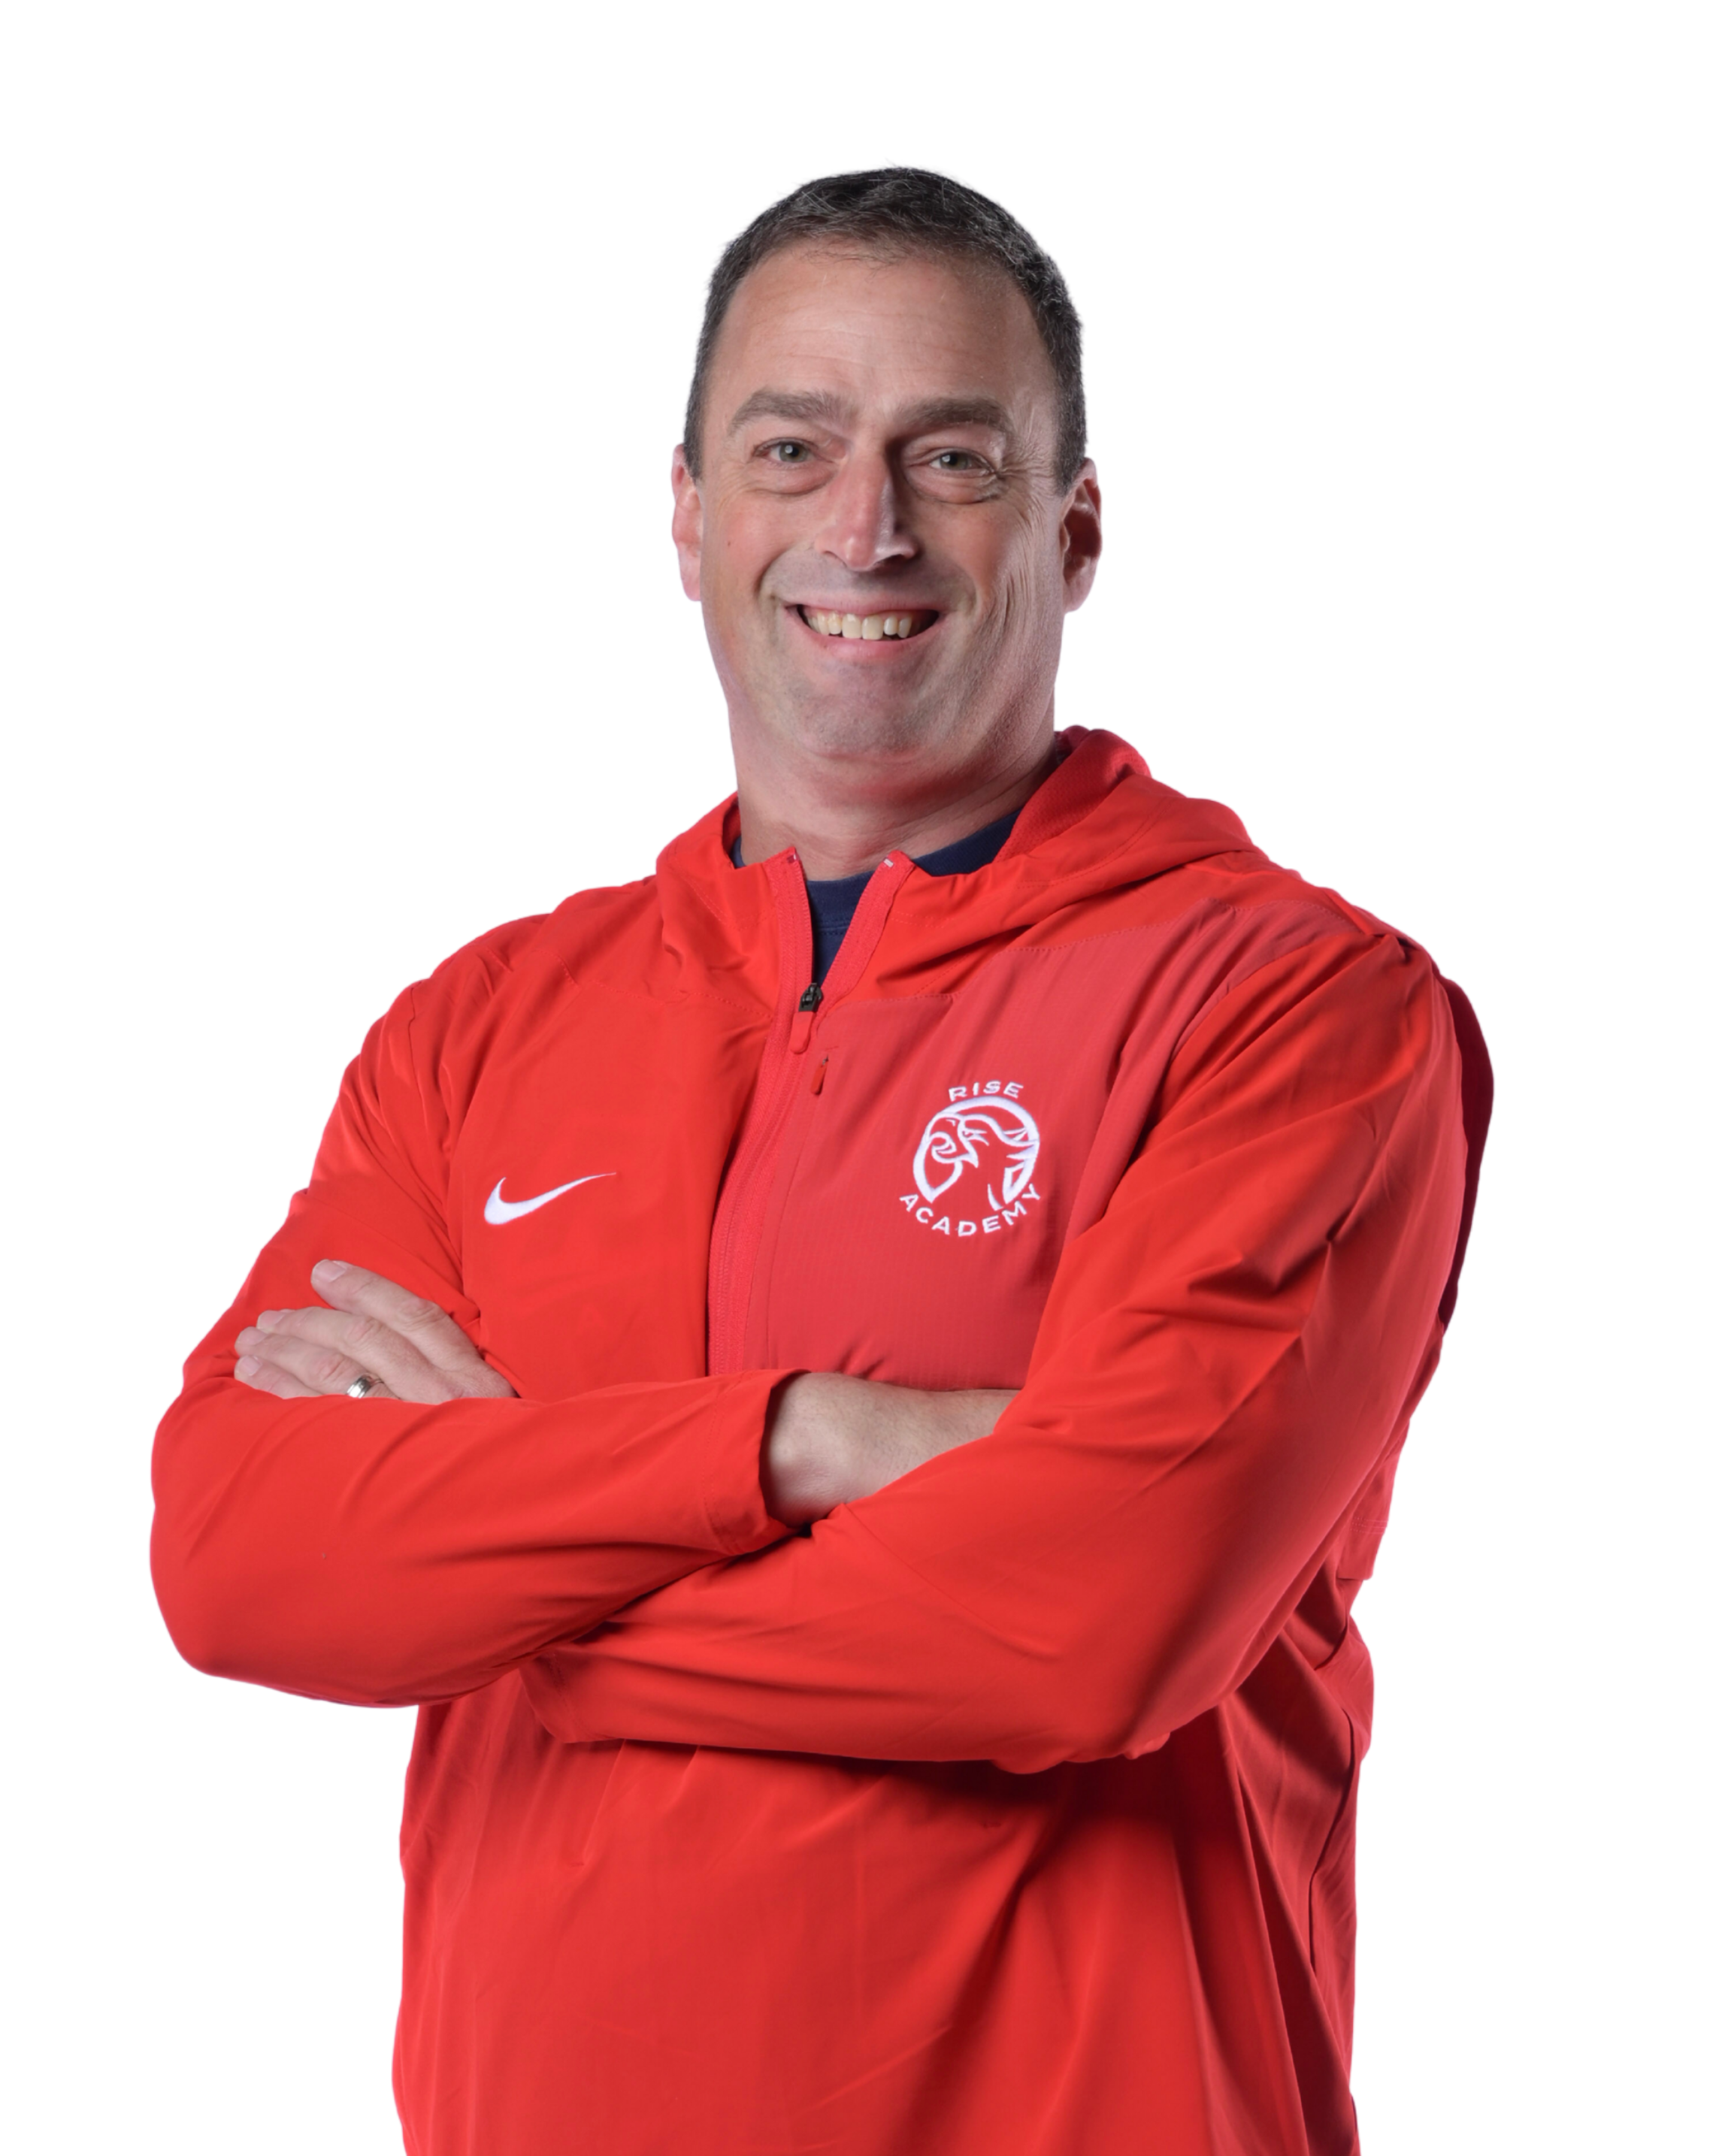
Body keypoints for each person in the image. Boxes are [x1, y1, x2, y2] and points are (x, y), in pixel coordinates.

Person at [152, 168, 1490, 2155]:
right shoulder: (481, 1028)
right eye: (791, 449)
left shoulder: (1289, 1007)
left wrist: (513, 1577)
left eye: (950, 458)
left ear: (1073, 529)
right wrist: (808, 1440)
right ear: (691, 516)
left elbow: (1098, 1618)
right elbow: (237, 1554)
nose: (865, 527)